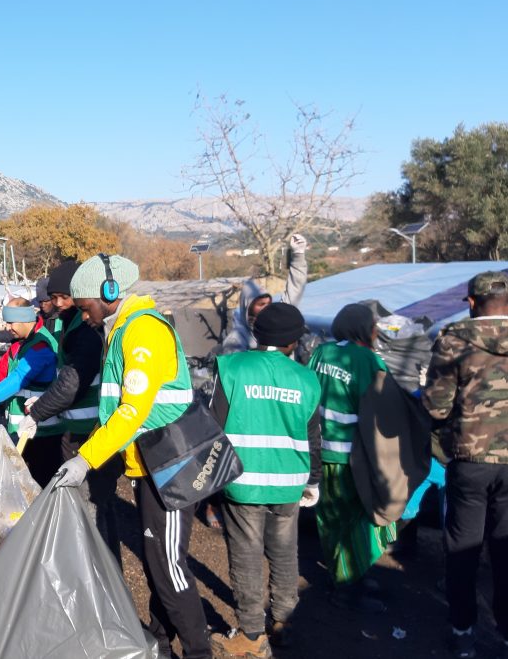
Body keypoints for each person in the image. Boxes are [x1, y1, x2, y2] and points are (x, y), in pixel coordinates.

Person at [55, 254, 211, 659]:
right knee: (157, 561)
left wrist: (86, 459)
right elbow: (115, 408)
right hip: (149, 465)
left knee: (169, 567)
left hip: (171, 468)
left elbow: (131, 410)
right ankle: (159, 642)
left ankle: (198, 652)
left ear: (108, 294)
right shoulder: (122, 329)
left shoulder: (142, 332)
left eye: (86, 307)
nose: (85, 317)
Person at [208, 303, 323, 658]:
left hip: (242, 481)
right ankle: (284, 621)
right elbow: (313, 436)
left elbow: (214, 424)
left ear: (257, 334)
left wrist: (210, 480)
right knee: (285, 552)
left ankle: (252, 635)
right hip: (290, 483)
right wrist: (313, 481)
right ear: (292, 342)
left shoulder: (232, 367)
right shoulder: (306, 378)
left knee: (245, 553)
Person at [423, 271, 508, 659]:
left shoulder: (454, 340)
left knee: (463, 549)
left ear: (472, 302)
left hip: (470, 461)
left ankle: (463, 633)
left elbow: (437, 407)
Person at [14, 260, 122, 558]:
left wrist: (37, 412)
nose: (58, 303)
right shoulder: (71, 322)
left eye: (64, 297)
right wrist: (46, 400)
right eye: (55, 297)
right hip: (74, 430)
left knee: (93, 509)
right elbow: (66, 377)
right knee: (89, 508)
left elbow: (74, 381)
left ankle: (101, 575)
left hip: (89, 433)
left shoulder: (85, 329)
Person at [308, 303, 396, 612]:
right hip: (352, 458)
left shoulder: (320, 353)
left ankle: (347, 575)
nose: (376, 332)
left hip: (320, 453)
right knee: (358, 521)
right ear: (364, 329)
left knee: (330, 519)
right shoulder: (368, 360)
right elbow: (383, 409)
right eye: (374, 326)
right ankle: (347, 589)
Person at [0, 297, 60, 485]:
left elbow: (18, 377)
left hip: (42, 432)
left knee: (38, 483)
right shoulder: (21, 343)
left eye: (11, 322)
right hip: (23, 428)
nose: (7, 327)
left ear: (25, 319)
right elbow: (0, 371)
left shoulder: (41, 345)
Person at [220, 234, 308, 356]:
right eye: (261, 304)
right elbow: (237, 372)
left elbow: (295, 288)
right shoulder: (236, 340)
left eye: (268, 303)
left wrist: (298, 255)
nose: (266, 308)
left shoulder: (278, 323)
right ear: (248, 307)